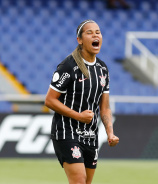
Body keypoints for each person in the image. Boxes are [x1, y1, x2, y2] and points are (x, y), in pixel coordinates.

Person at [45, 19, 119, 184]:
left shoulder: (103, 69)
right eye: (89, 32)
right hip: (66, 132)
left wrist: (110, 132)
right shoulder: (68, 66)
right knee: (79, 180)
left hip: (90, 135)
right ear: (79, 40)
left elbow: (104, 107)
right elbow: (49, 100)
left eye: (98, 32)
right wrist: (78, 116)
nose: (95, 35)